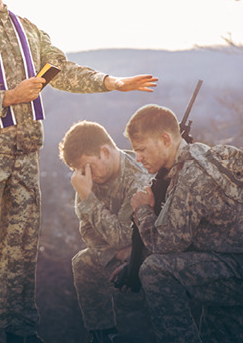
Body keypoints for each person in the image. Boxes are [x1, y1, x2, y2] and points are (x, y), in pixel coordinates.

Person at [0, 0, 158, 343]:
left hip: (24, 159)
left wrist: (112, 82)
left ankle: (19, 334)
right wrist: (8, 97)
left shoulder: (28, 29)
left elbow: (61, 71)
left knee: (20, 254)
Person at [123, 104, 243, 343]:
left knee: (156, 269)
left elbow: (167, 244)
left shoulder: (191, 175)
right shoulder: (193, 161)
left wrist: (143, 210)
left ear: (165, 139)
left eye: (142, 149)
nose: (138, 158)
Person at [58, 121, 153, 343]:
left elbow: (123, 235)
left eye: (88, 166)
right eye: (80, 170)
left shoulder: (138, 176)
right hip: (120, 255)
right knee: (83, 262)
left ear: (104, 152)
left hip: (151, 253)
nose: (85, 175)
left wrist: (88, 198)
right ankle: (102, 336)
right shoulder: (89, 180)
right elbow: (88, 232)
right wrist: (116, 253)